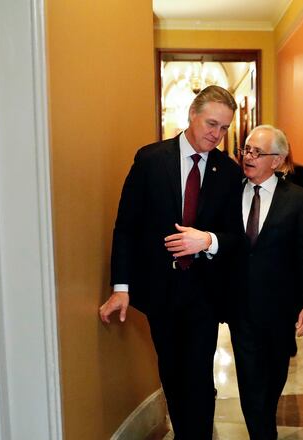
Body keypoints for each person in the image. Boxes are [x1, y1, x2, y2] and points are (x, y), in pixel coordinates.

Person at [98, 85, 242, 439]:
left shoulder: (228, 171)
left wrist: (207, 240)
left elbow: (238, 238)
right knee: (173, 374)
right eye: (211, 123)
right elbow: (126, 226)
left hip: (204, 292)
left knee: (197, 375)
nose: (217, 134)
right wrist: (121, 288)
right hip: (160, 291)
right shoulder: (150, 160)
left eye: (224, 128)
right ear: (191, 115)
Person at [229, 125, 303, 440]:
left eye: (257, 152)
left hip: (281, 308)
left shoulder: (298, 200)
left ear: (277, 160)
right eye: (246, 149)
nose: (248, 157)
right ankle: (264, 434)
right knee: (250, 378)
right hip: (239, 305)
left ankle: (263, 423)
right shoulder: (228, 193)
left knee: (273, 377)